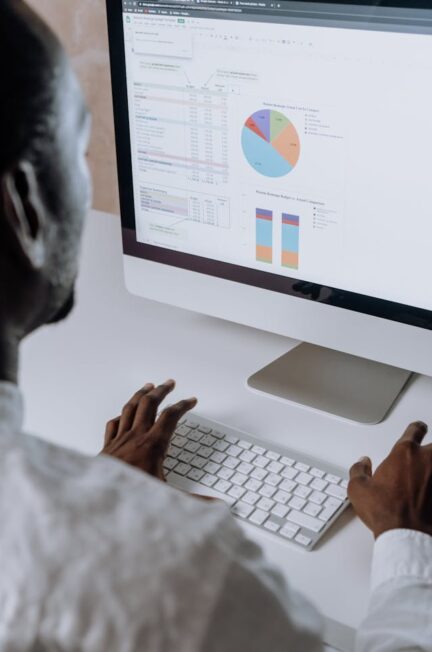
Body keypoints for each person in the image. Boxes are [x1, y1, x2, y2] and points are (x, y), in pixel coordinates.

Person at [0, 2, 431, 650]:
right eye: (80, 146)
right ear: (23, 205)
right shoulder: (168, 565)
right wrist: (406, 539)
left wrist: (98, 493)